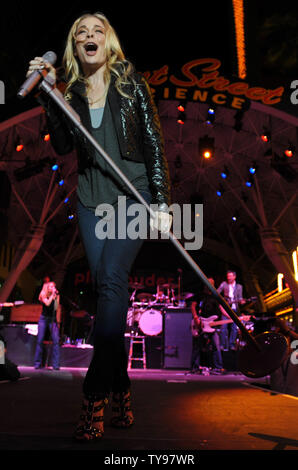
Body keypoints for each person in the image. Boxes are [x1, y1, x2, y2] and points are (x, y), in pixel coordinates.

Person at [26, 12, 172, 441]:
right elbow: (64, 144)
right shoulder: (69, 89)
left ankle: (94, 394)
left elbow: (153, 140)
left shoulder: (130, 80)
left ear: (108, 41)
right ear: (75, 47)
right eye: (80, 33)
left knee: (111, 280)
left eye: (97, 30)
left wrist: (162, 202)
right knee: (105, 290)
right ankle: (122, 387)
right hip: (92, 199)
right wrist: (47, 95)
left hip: (133, 193)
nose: (89, 36)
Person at [190, 278, 225, 374]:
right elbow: (193, 306)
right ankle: (194, 367)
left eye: (211, 284)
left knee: (216, 346)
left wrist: (233, 317)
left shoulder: (216, 296)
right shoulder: (200, 295)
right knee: (197, 346)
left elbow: (222, 308)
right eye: (207, 283)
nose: (209, 285)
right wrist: (196, 317)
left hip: (213, 325)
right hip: (201, 323)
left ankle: (218, 367)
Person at [34, 281, 61, 370]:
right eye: (51, 287)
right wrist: (52, 296)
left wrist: (56, 297)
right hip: (44, 318)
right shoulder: (43, 294)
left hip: (52, 319)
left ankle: (56, 365)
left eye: (54, 286)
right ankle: (37, 363)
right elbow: (47, 304)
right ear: (47, 288)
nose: (53, 288)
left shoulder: (56, 295)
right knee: (40, 340)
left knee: (56, 340)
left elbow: (56, 307)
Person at [217, 270, 245, 351]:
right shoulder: (224, 284)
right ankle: (222, 345)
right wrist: (223, 300)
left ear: (234, 277)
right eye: (227, 276)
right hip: (226, 309)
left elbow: (240, 298)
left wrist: (242, 301)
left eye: (230, 276)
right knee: (223, 327)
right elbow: (217, 293)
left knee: (234, 328)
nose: (228, 278)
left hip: (235, 309)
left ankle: (231, 345)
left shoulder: (239, 286)